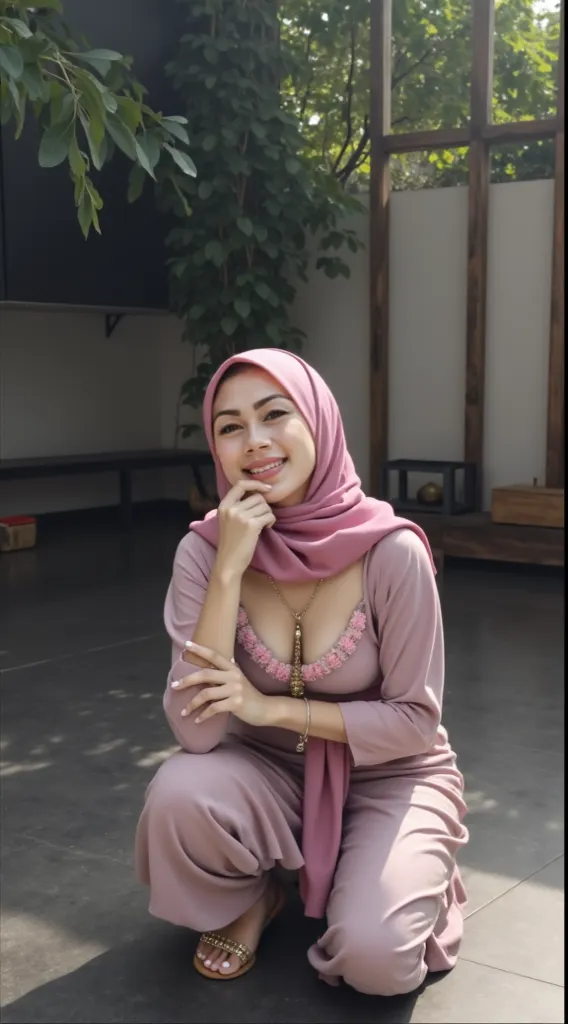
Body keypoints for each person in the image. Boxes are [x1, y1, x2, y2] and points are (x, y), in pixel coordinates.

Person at [134, 349, 468, 996]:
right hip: (264, 772)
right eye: (229, 426)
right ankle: (251, 895)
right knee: (181, 791)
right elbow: (197, 734)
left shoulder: (391, 551)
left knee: (377, 964)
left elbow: (413, 724)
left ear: (318, 422)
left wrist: (267, 708)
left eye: (274, 414)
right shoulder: (203, 553)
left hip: (387, 774)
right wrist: (230, 567)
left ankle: (399, 863)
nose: (254, 442)